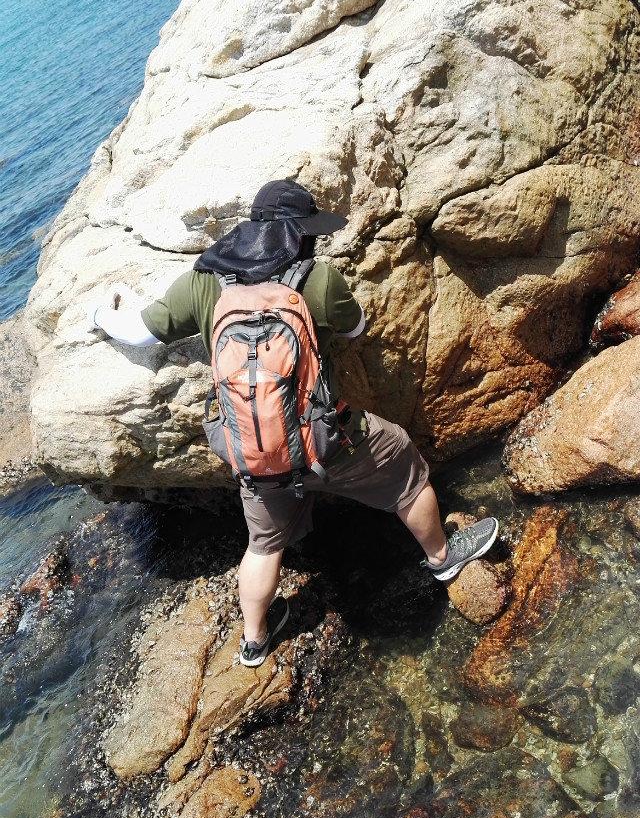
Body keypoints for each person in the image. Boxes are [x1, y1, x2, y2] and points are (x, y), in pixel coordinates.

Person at [89, 179, 498, 666]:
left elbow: (139, 333)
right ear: (298, 232)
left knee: (263, 545)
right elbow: (357, 327)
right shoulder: (317, 279)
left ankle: (255, 640)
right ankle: (442, 558)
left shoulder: (202, 283)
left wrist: (100, 313)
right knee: (404, 463)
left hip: (256, 455)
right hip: (328, 443)